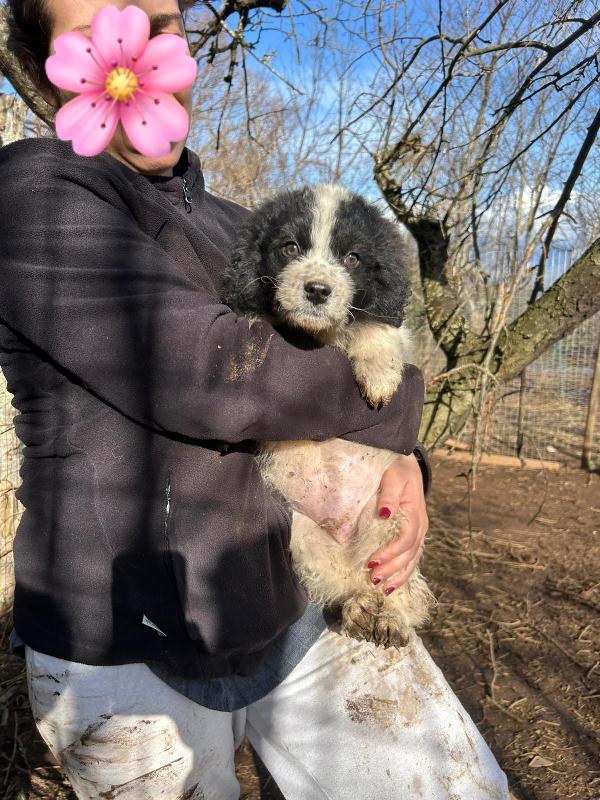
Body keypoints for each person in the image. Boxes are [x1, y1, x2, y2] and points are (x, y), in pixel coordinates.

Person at [0, 1, 509, 798]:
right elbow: (223, 376)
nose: (126, 62)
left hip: (287, 596)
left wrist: (403, 462)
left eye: (157, 26)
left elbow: (347, 344)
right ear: (41, 71)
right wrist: (398, 408)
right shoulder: (32, 192)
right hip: (126, 643)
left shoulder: (248, 225)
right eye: (91, 37)